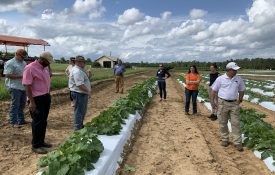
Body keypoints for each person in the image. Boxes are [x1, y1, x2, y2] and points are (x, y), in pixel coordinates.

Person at [22, 51, 54, 154]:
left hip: (45, 96)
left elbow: (49, 77)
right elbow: (27, 85)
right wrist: (31, 102)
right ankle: (35, 145)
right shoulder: (30, 68)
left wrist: (48, 94)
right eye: (47, 62)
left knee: (43, 121)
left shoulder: (44, 68)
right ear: (41, 59)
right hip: (36, 98)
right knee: (37, 122)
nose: (49, 64)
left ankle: (41, 141)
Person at [211, 62, 245, 152]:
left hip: (234, 103)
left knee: (236, 123)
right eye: (234, 70)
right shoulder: (220, 79)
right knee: (223, 122)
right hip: (222, 103)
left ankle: (237, 142)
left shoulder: (238, 79)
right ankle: (225, 139)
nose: (236, 71)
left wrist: (240, 99)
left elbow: (242, 89)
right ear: (229, 70)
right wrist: (213, 102)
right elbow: (213, 91)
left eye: (236, 70)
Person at [3, 49, 27, 127]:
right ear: (16, 54)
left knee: (22, 104)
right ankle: (13, 122)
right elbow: (7, 75)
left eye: (24, 57)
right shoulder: (10, 63)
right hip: (14, 86)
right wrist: (21, 76)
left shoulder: (24, 63)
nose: (23, 58)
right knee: (15, 105)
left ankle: (21, 120)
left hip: (23, 86)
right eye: (22, 56)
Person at [69, 56, 91, 130]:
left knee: (81, 110)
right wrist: (88, 91)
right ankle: (78, 127)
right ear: (78, 62)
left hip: (80, 93)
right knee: (79, 111)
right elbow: (80, 85)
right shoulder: (77, 71)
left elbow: (84, 80)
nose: (84, 64)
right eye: (83, 62)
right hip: (79, 93)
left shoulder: (79, 70)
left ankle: (80, 125)